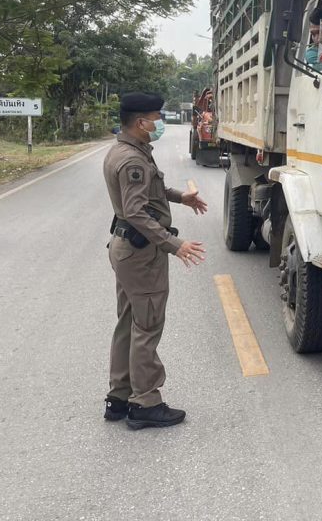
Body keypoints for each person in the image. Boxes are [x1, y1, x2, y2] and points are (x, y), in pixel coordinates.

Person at [101, 92, 208, 430]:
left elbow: (148, 192)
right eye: (156, 119)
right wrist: (174, 245)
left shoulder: (127, 151)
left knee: (129, 322)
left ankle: (119, 397)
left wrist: (180, 197)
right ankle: (145, 402)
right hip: (141, 253)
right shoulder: (132, 160)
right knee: (146, 326)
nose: (159, 124)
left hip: (126, 249)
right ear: (140, 122)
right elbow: (135, 211)